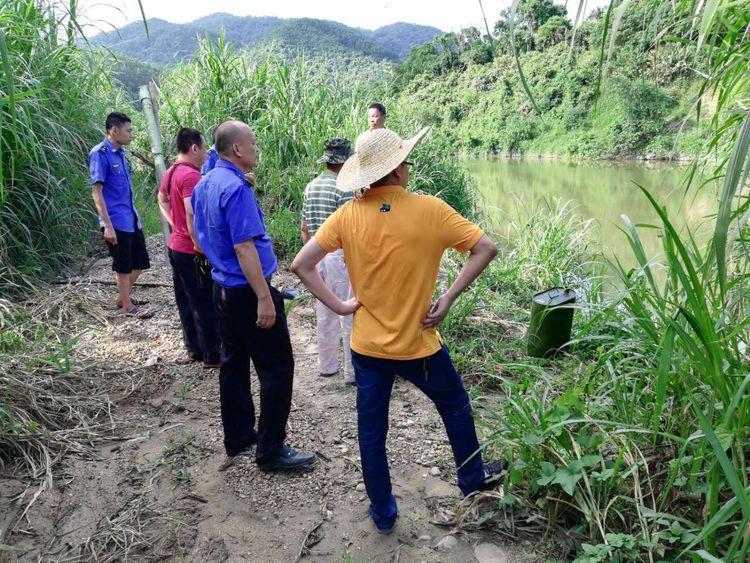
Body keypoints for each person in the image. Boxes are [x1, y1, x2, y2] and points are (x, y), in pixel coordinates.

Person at [291, 127, 508, 534]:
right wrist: (448, 298)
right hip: (419, 345)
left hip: (368, 347)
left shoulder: (348, 214)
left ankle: (384, 513)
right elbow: (486, 248)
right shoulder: (432, 210)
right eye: (405, 161)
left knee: (372, 432)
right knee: (456, 407)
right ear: (397, 170)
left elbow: (301, 265)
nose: (407, 167)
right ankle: (472, 479)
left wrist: (339, 306)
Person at [191, 119, 316, 471]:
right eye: (254, 142)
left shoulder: (207, 183)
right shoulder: (235, 188)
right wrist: (264, 297)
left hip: (223, 288)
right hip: (247, 291)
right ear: (237, 150)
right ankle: (271, 451)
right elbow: (245, 247)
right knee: (277, 367)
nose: (257, 148)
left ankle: (239, 436)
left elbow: (198, 237)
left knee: (233, 364)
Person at [157, 127, 221, 369]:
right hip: (189, 251)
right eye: (204, 148)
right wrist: (196, 241)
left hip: (175, 246)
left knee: (185, 299)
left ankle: (193, 349)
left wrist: (175, 224)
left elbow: (161, 200)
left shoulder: (172, 171)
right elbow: (192, 211)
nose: (205, 153)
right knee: (203, 301)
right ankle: (212, 355)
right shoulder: (191, 176)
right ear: (194, 148)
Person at [300, 138, 356, 383]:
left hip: (314, 253)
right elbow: (350, 230)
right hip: (338, 256)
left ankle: (327, 365)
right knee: (348, 311)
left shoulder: (311, 186)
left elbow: (304, 227)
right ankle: (352, 372)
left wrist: (309, 258)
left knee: (324, 310)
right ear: (344, 162)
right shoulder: (344, 189)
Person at [89, 112, 153, 319]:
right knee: (123, 265)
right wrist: (107, 225)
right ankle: (127, 306)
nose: (131, 134)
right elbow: (97, 191)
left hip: (131, 217)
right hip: (115, 220)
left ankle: (121, 298)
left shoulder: (122, 154)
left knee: (141, 261)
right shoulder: (100, 153)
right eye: (129, 131)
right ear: (114, 130)